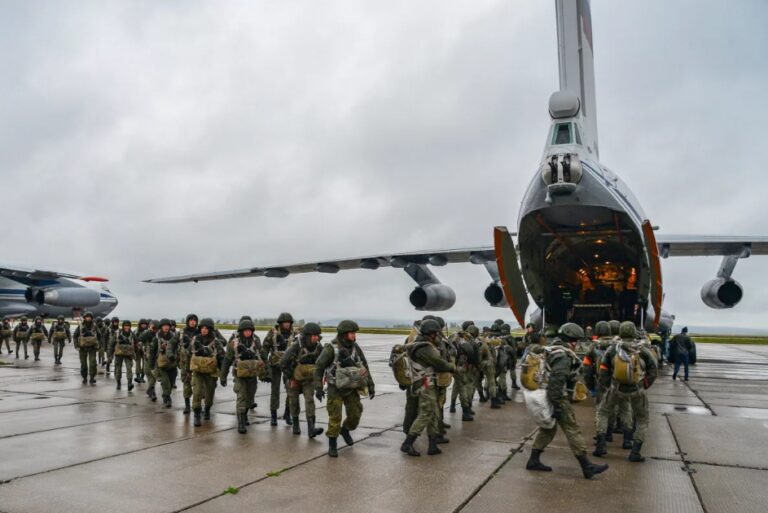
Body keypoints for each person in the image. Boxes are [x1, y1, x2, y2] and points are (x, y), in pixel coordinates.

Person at [526, 322, 609, 479]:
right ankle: (587, 466)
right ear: (572, 340)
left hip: (547, 394)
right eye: (576, 341)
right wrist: (557, 405)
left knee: (548, 429)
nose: (577, 344)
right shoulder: (563, 356)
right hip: (556, 397)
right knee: (572, 429)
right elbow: (557, 382)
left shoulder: (551, 348)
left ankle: (533, 459)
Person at [595, 321, 658, 462]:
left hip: (616, 389)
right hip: (637, 390)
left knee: (603, 412)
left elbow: (603, 370)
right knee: (642, 419)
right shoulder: (642, 349)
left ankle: (601, 445)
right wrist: (644, 385)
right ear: (633, 332)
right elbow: (653, 370)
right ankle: (635, 451)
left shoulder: (612, 349)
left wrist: (608, 386)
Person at [313, 320, 375, 458]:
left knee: (355, 414)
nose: (354, 336)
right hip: (335, 388)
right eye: (351, 333)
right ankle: (332, 444)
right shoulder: (331, 348)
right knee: (335, 417)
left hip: (352, 387)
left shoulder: (355, 348)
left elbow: (364, 366)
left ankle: (345, 429)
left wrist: (370, 385)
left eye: (354, 333)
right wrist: (318, 387)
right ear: (343, 334)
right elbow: (318, 367)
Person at [400, 319, 456, 457]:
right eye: (437, 333)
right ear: (431, 333)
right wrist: (453, 367)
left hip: (428, 382)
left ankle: (432, 445)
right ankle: (407, 443)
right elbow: (440, 364)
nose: (439, 335)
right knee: (427, 412)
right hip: (425, 384)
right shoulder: (424, 348)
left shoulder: (422, 344)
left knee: (434, 413)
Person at [221, 318, 266, 433]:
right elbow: (227, 359)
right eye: (245, 330)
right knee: (241, 396)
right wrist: (223, 376)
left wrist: (266, 374)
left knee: (250, 397)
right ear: (241, 331)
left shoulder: (256, 340)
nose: (248, 332)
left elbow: (263, 356)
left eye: (250, 330)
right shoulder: (234, 342)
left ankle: (244, 414)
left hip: (252, 373)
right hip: (239, 374)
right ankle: (241, 422)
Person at [281, 322, 325, 438]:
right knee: (294, 401)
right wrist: (291, 377)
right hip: (293, 378)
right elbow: (283, 363)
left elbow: (324, 363)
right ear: (307, 336)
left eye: (317, 335)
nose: (316, 338)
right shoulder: (296, 346)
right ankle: (295, 423)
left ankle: (311, 428)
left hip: (308, 378)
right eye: (314, 335)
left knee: (310, 400)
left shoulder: (319, 347)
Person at [263, 312, 297, 426]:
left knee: (291, 390)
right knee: (275, 390)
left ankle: (288, 413)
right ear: (280, 323)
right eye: (284, 322)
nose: (287, 324)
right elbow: (265, 348)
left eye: (288, 322)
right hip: (275, 365)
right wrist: (265, 366)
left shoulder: (296, 333)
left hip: (289, 366)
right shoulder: (273, 333)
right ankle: (273, 416)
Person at [190, 318, 223, 425]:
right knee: (197, 392)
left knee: (209, 394)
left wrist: (223, 373)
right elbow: (188, 354)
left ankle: (207, 409)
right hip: (198, 371)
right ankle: (196, 414)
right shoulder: (195, 340)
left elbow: (222, 355)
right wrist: (187, 370)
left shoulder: (215, 341)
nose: (204, 330)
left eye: (206, 328)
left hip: (211, 372)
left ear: (210, 329)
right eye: (202, 328)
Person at [151, 319, 178, 408]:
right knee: (165, 382)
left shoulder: (174, 337)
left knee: (170, 383)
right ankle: (167, 398)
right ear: (161, 327)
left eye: (168, 325)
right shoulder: (156, 338)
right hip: (161, 364)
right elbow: (153, 351)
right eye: (164, 325)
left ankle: (166, 395)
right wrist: (152, 365)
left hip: (172, 364)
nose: (166, 327)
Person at [178, 314, 200, 415]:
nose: (192, 322)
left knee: (198, 386)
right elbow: (172, 343)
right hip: (185, 364)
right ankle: (187, 406)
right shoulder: (181, 333)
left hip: (197, 364)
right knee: (186, 385)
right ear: (187, 321)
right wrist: (170, 354)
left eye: (194, 320)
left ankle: (197, 406)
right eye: (191, 320)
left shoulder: (200, 332)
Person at [73, 312, 99, 384]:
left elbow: (100, 336)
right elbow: (75, 336)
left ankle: (92, 377)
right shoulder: (80, 326)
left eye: (89, 317)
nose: (88, 318)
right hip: (82, 348)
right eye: (87, 317)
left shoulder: (95, 326)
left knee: (93, 363)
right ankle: (84, 377)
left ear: (91, 318)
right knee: (83, 364)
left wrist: (98, 346)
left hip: (92, 347)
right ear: (84, 318)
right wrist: (76, 346)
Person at [113, 320, 137, 391]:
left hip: (128, 354)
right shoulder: (117, 333)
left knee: (129, 369)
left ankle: (129, 384)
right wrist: (109, 356)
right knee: (118, 369)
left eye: (128, 326)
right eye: (125, 326)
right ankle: (118, 383)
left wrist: (135, 354)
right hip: (119, 354)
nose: (127, 327)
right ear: (123, 326)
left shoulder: (132, 335)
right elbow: (111, 344)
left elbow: (136, 343)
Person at [140, 320, 159, 400]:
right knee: (148, 373)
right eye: (153, 327)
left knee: (154, 375)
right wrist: (149, 330)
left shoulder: (159, 335)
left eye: (156, 327)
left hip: (156, 358)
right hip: (147, 357)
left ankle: (150, 389)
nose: (154, 329)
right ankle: (152, 391)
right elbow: (141, 339)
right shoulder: (147, 333)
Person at [133, 319, 149, 383]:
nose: (143, 325)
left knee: (145, 365)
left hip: (145, 350)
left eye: (145, 324)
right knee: (138, 364)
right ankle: (138, 376)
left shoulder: (148, 332)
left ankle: (142, 376)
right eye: (142, 324)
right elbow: (133, 340)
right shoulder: (136, 331)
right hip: (137, 350)